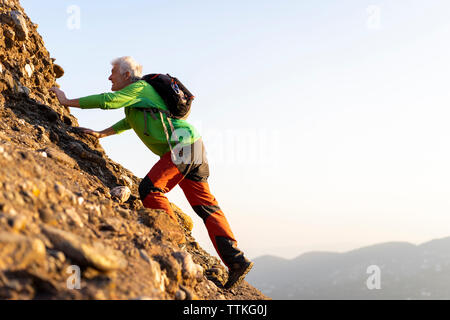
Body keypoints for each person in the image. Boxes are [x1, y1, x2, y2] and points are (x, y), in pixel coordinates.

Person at [49, 56, 253, 289]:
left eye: (113, 72)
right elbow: (129, 121)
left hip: (183, 147)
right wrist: (102, 133)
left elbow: (108, 100)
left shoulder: (140, 88)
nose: (109, 77)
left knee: (150, 190)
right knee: (206, 206)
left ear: (127, 74)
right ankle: (236, 260)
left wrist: (66, 100)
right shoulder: (138, 98)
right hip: (192, 146)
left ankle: (174, 244)